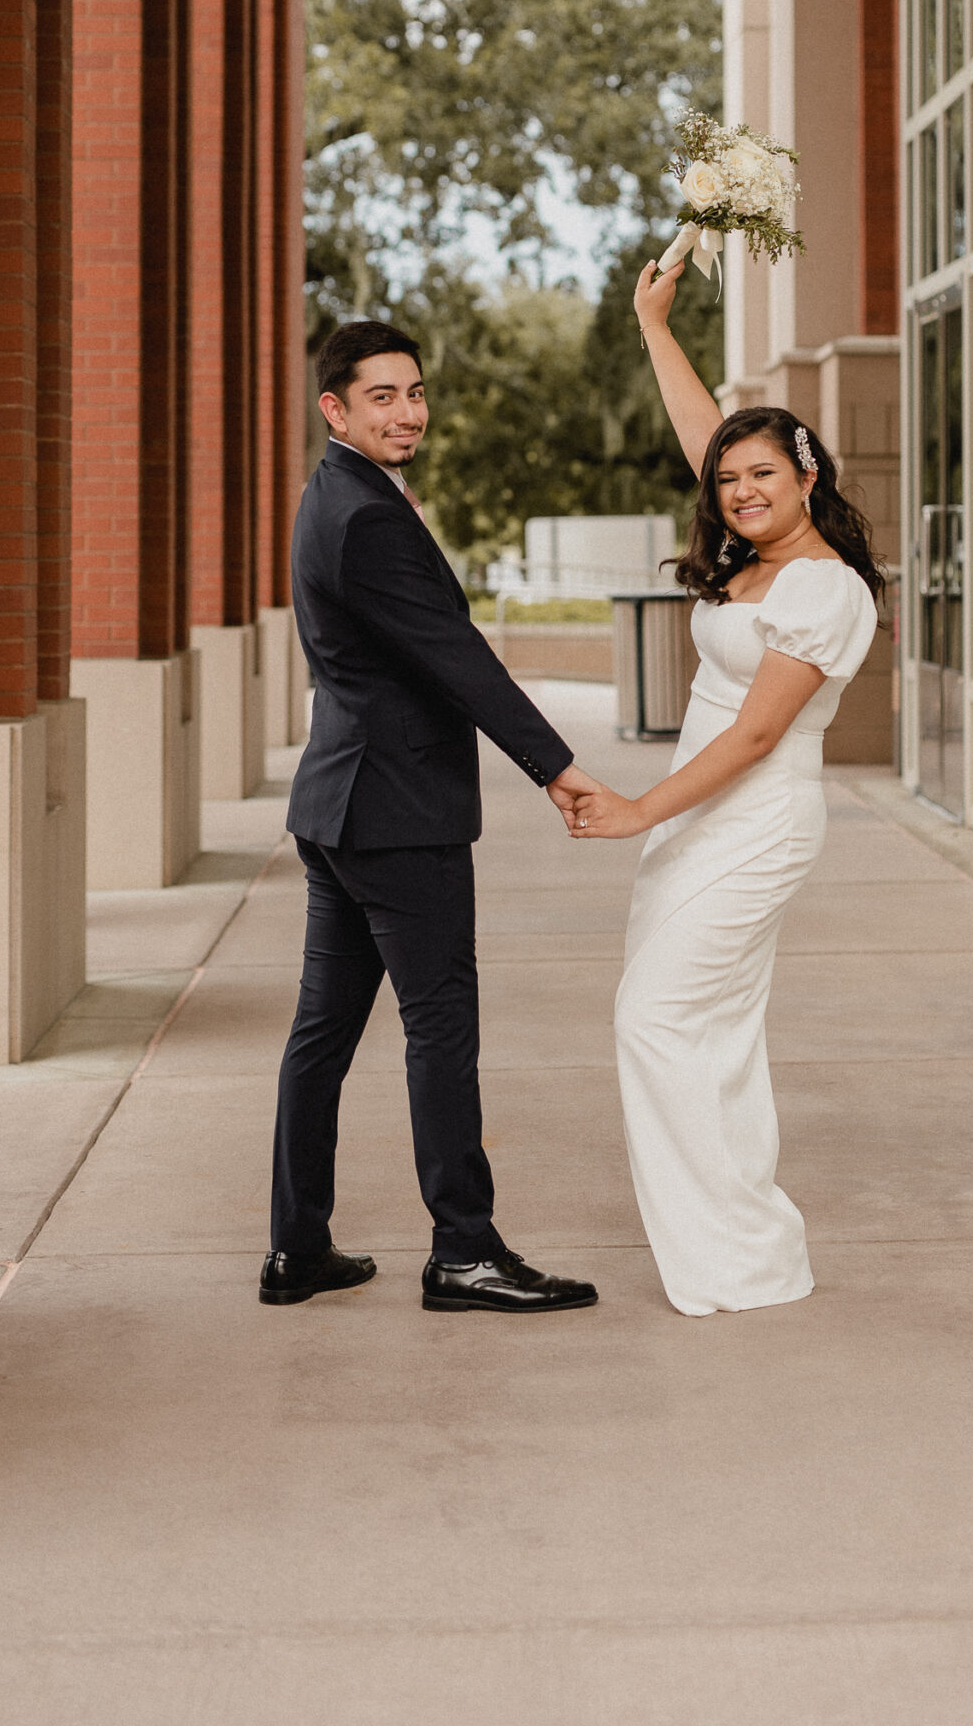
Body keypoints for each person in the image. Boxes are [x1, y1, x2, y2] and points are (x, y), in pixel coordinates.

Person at [262, 318, 604, 1315]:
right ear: (333, 407)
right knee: (440, 1027)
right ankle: (463, 1249)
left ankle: (297, 1246)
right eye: (382, 396)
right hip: (395, 811)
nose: (407, 411)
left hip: (341, 803)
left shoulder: (335, 493)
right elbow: (455, 656)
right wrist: (556, 765)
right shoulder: (362, 513)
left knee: (320, 1032)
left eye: (414, 392)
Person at [568, 260, 886, 1316]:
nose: (740, 490)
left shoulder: (821, 587)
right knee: (707, 1031)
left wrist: (635, 810)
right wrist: (654, 324)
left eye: (763, 474)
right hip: (698, 816)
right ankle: (748, 1255)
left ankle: (735, 1248)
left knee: (655, 1019)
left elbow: (756, 735)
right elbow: (702, 432)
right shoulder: (750, 560)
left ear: (808, 476)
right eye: (728, 479)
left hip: (750, 818)